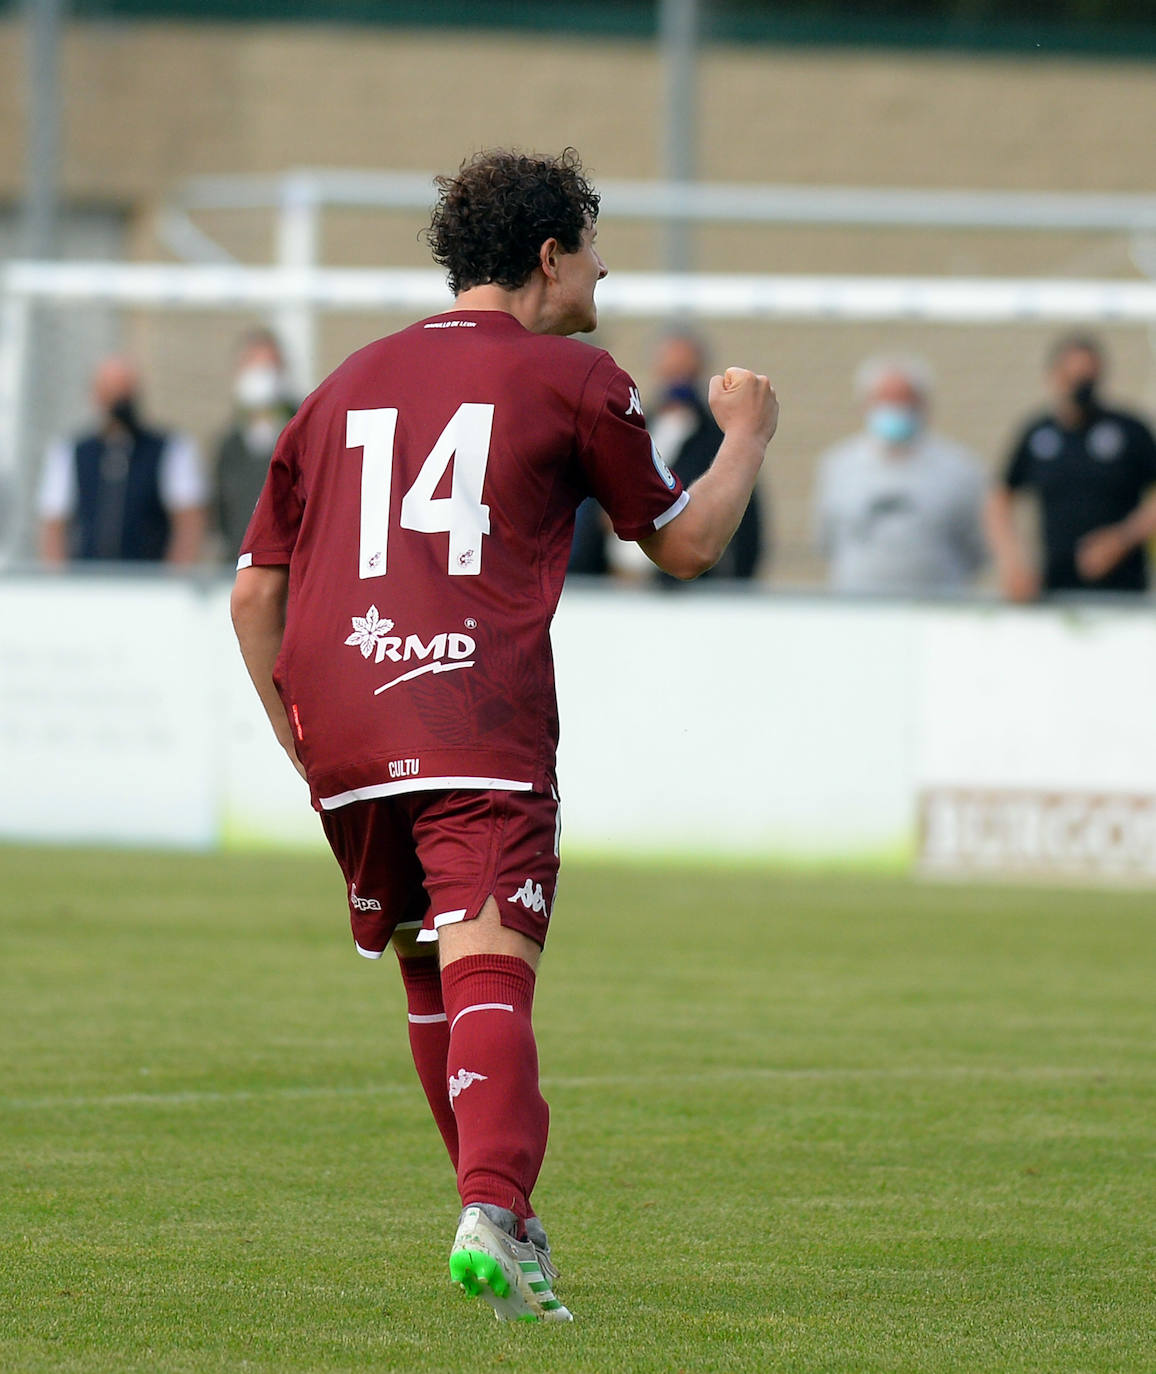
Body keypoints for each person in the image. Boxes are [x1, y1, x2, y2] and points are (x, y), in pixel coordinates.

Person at [230, 148, 777, 1324]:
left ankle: (507, 1222)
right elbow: (683, 547)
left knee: (432, 973)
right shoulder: (574, 377)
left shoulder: (342, 384)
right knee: (493, 970)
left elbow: (251, 593)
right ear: (546, 256)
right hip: (469, 716)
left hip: (344, 727)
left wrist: (300, 738)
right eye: (590, 247)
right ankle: (490, 1205)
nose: (602, 269)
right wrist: (745, 434)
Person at [986, 334, 1156, 600]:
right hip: (1055, 588)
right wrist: (1012, 562)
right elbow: (999, 498)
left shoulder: (1129, 431)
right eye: (1072, 377)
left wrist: (1121, 539)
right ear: (1054, 376)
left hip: (1124, 591)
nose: (1080, 386)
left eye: (1087, 378)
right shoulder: (1037, 435)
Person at [812, 355, 986, 595]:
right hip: (856, 607)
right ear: (866, 404)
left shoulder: (960, 467)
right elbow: (827, 540)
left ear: (923, 404)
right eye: (886, 399)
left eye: (904, 399)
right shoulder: (838, 465)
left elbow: (975, 547)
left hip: (936, 606)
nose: (895, 408)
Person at [37, 356, 206, 565]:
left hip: (148, 582)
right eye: (109, 391)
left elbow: (188, 523)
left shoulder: (171, 449)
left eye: (123, 392)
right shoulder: (70, 451)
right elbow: (54, 526)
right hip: (86, 582)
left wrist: (173, 583)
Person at [650, 327, 765, 583]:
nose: (678, 383)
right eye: (672, 372)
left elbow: (747, 522)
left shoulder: (717, 439)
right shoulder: (637, 426)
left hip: (688, 585)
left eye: (686, 373)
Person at [212, 329, 296, 562]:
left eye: (269, 366)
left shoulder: (304, 432)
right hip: (243, 566)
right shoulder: (229, 445)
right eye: (253, 366)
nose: (261, 376)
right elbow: (221, 514)